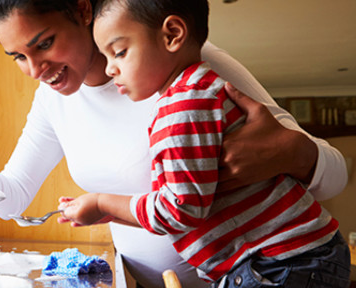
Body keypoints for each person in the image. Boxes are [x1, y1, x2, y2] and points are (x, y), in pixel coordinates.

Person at [0, 0, 348, 287]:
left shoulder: (185, 71)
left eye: (43, 43)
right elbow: (14, 198)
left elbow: (335, 174)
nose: (36, 69)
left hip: (258, 274)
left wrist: (293, 151)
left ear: (81, 9)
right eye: (18, 56)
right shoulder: (53, 100)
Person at [58, 0, 350, 287]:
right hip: (291, 258)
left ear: (172, 34)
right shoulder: (197, 90)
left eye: (119, 52)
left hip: (280, 263)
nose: (110, 69)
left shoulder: (182, 107)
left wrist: (101, 203)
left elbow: (181, 210)